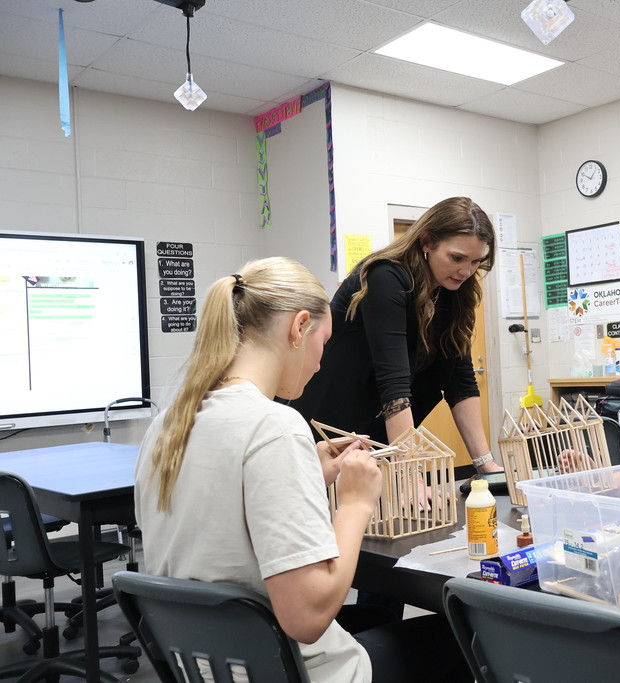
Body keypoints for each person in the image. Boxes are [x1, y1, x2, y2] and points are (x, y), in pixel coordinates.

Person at [134, 257, 470, 682]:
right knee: (462, 633)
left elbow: (221, 521)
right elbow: (307, 617)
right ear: (299, 327)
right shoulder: (275, 427)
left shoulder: (169, 422)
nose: (319, 363)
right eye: (324, 343)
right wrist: (355, 502)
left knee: (372, 617)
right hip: (281, 669)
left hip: (200, 664)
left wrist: (307, 471)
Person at [288, 196, 502, 476]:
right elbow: (394, 384)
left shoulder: (453, 292)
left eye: (476, 261)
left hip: (368, 434)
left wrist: (485, 464)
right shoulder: (386, 276)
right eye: (457, 258)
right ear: (426, 241)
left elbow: (460, 381)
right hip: (322, 421)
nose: (467, 271)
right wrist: (410, 474)